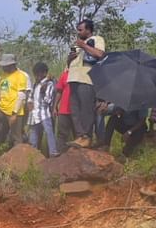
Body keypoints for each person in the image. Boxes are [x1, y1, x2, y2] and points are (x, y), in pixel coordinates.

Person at [67, 18, 106, 147]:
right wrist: (69, 59)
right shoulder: (77, 45)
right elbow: (70, 64)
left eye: (81, 30)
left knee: (86, 109)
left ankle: (87, 137)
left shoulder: (96, 39)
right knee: (75, 109)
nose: (78, 32)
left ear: (88, 30)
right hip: (73, 78)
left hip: (86, 79)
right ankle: (80, 136)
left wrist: (84, 45)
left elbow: (100, 54)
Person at [0, 54, 29, 147]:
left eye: (5, 66)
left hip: (14, 111)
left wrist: (14, 114)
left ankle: (17, 158)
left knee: (17, 137)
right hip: (1, 108)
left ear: (11, 65)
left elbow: (21, 96)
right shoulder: (3, 76)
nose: (3, 67)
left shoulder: (21, 76)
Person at [26, 62, 58, 157]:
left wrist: (43, 91)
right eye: (36, 74)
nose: (37, 76)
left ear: (44, 73)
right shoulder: (35, 84)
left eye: (39, 73)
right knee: (33, 135)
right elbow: (30, 97)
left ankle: (53, 152)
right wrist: (29, 103)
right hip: (34, 114)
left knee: (49, 132)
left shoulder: (49, 84)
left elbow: (48, 100)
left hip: (44, 113)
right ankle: (33, 154)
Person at [54, 68, 74, 151]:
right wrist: (55, 106)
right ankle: (60, 155)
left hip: (77, 111)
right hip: (64, 110)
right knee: (62, 134)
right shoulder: (65, 74)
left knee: (78, 135)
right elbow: (59, 91)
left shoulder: (82, 75)